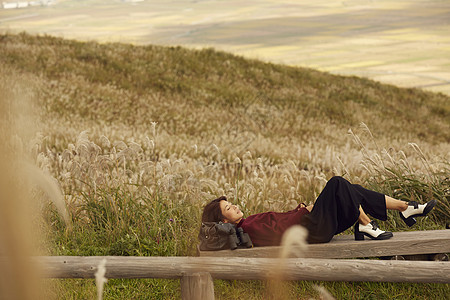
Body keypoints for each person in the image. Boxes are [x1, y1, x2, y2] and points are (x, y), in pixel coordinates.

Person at [201, 176, 437, 246]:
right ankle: (367, 223)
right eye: (230, 208)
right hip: (312, 232)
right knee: (337, 183)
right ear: (223, 220)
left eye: (232, 203)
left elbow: (281, 222)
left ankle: (405, 208)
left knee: (351, 189)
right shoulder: (248, 226)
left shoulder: (249, 222)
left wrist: (300, 209)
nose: (236, 206)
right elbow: (281, 231)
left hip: (311, 227)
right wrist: (306, 211)